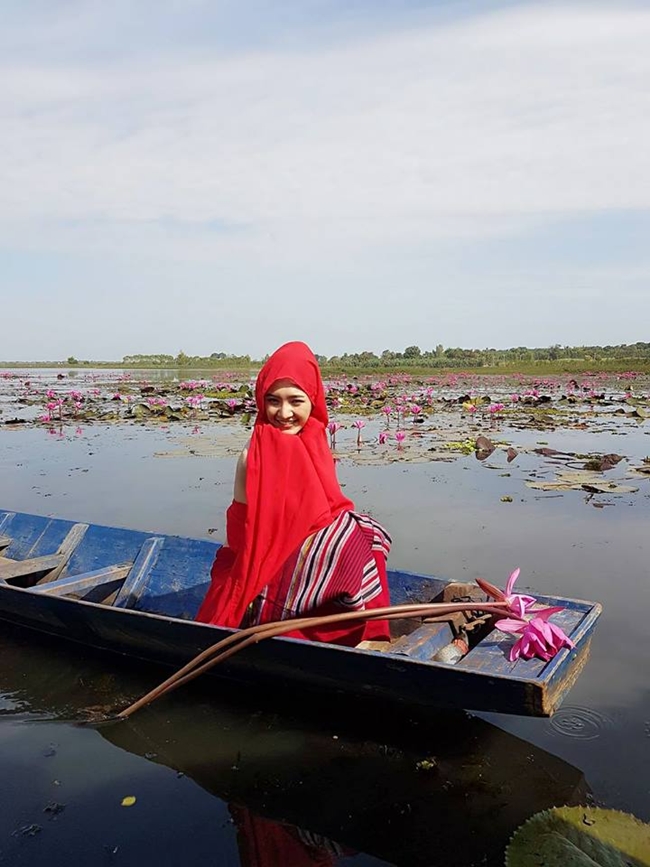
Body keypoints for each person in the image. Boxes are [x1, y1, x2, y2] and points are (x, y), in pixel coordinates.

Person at [195, 341, 392, 646]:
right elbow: (241, 530)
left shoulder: (314, 437)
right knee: (349, 539)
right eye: (273, 401)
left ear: (313, 400)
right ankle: (299, 628)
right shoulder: (253, 456)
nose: (283, 413)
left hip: (302, 543)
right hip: (261, 552)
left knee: (367, 534)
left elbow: (329, 506)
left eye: (295, 401)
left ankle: (358, 631)